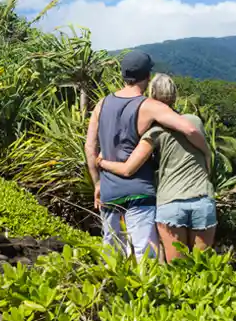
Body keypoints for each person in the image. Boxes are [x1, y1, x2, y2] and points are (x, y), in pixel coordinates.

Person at [84, 52, 210, 261]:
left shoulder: (102, 104)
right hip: (139, 191)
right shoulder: (149, 106)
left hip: (109, 191)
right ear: (147, 76)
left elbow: (90, 147)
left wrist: (97, 183)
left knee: (113, 256)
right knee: (146, 257)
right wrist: (206, 152)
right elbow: (189, 129)